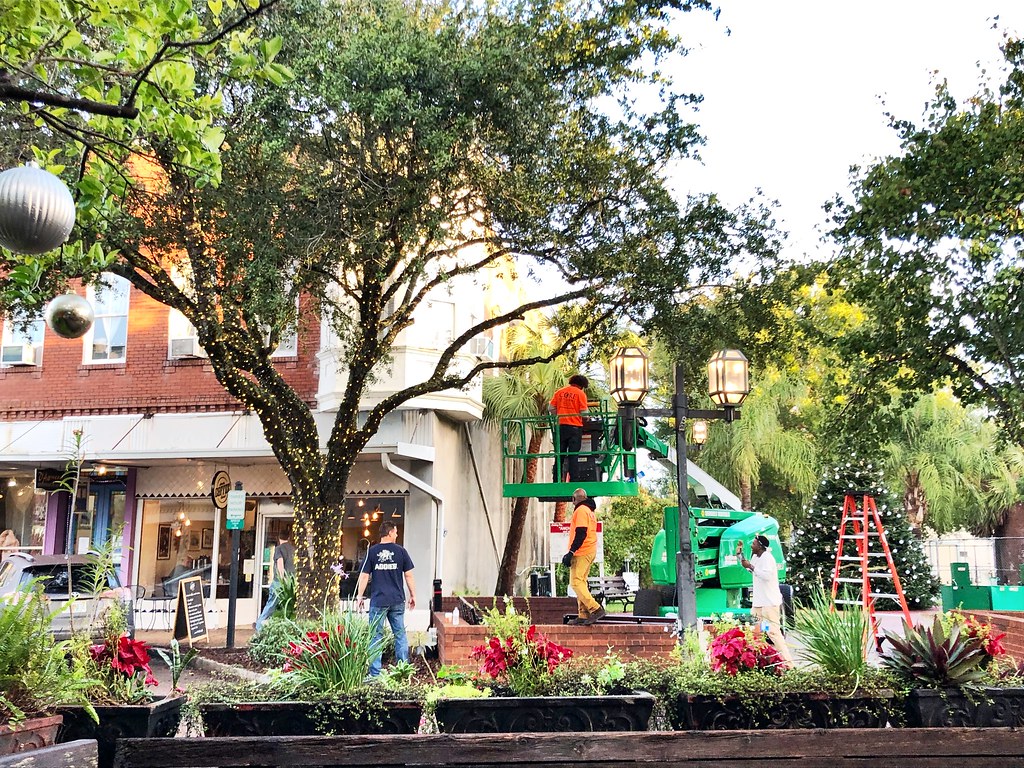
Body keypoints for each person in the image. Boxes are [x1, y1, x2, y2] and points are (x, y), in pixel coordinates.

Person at [355, 520, 415, 677]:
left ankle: (375, 674)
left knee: (375, 637)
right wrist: (413, 595)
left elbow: (364, 576)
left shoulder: (372, 552)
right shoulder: (401, 551)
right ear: (389, 533)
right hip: (397, 600)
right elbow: (408, 575)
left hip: (378, 601)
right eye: (395, 531)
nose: (397, 534)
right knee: (400, 635)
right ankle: (403, 672)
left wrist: (359, 596)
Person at [737, 534, 794, 667]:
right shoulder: (756, 557)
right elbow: (750, 569)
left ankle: (789, 663)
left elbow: (766, 575)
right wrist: (740, 555)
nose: (752, 545)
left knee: (773, 632)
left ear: (760, 546)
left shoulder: (768, 558)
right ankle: (763, 661)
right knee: (759, 631)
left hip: (769, 604)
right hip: (759, 604)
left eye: (754, 544)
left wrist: (751, 566)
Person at [561, 495, 605, 625]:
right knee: (582, 582)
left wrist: (571, 552)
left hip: (582, 552)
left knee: (575, 582)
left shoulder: (581, 510)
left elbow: (581, 532)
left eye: (572, 499)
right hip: (589, 550)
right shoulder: (590, 511)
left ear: (575, 499)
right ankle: (583, 615)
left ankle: (595, 608)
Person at [548, 375, 590, 482]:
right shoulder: (580, 394)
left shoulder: (559, 392)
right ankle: (574, 480)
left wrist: (560, 414)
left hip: (561, 427)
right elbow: (584, 414)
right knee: (573, 456)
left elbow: (551, 408)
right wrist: (588, 419)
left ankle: (556, 479)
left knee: (559, 455)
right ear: (582, 385)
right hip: (575, 428)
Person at [255, 525, 295, 630]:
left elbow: (280, 565)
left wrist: (282, 580)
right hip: (292, 584)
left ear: (279, 538)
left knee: (270, 606)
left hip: (279, 583)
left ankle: (259, 627)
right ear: (289, 537)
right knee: (286, 608)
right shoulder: (293, 550)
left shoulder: (279, 549)